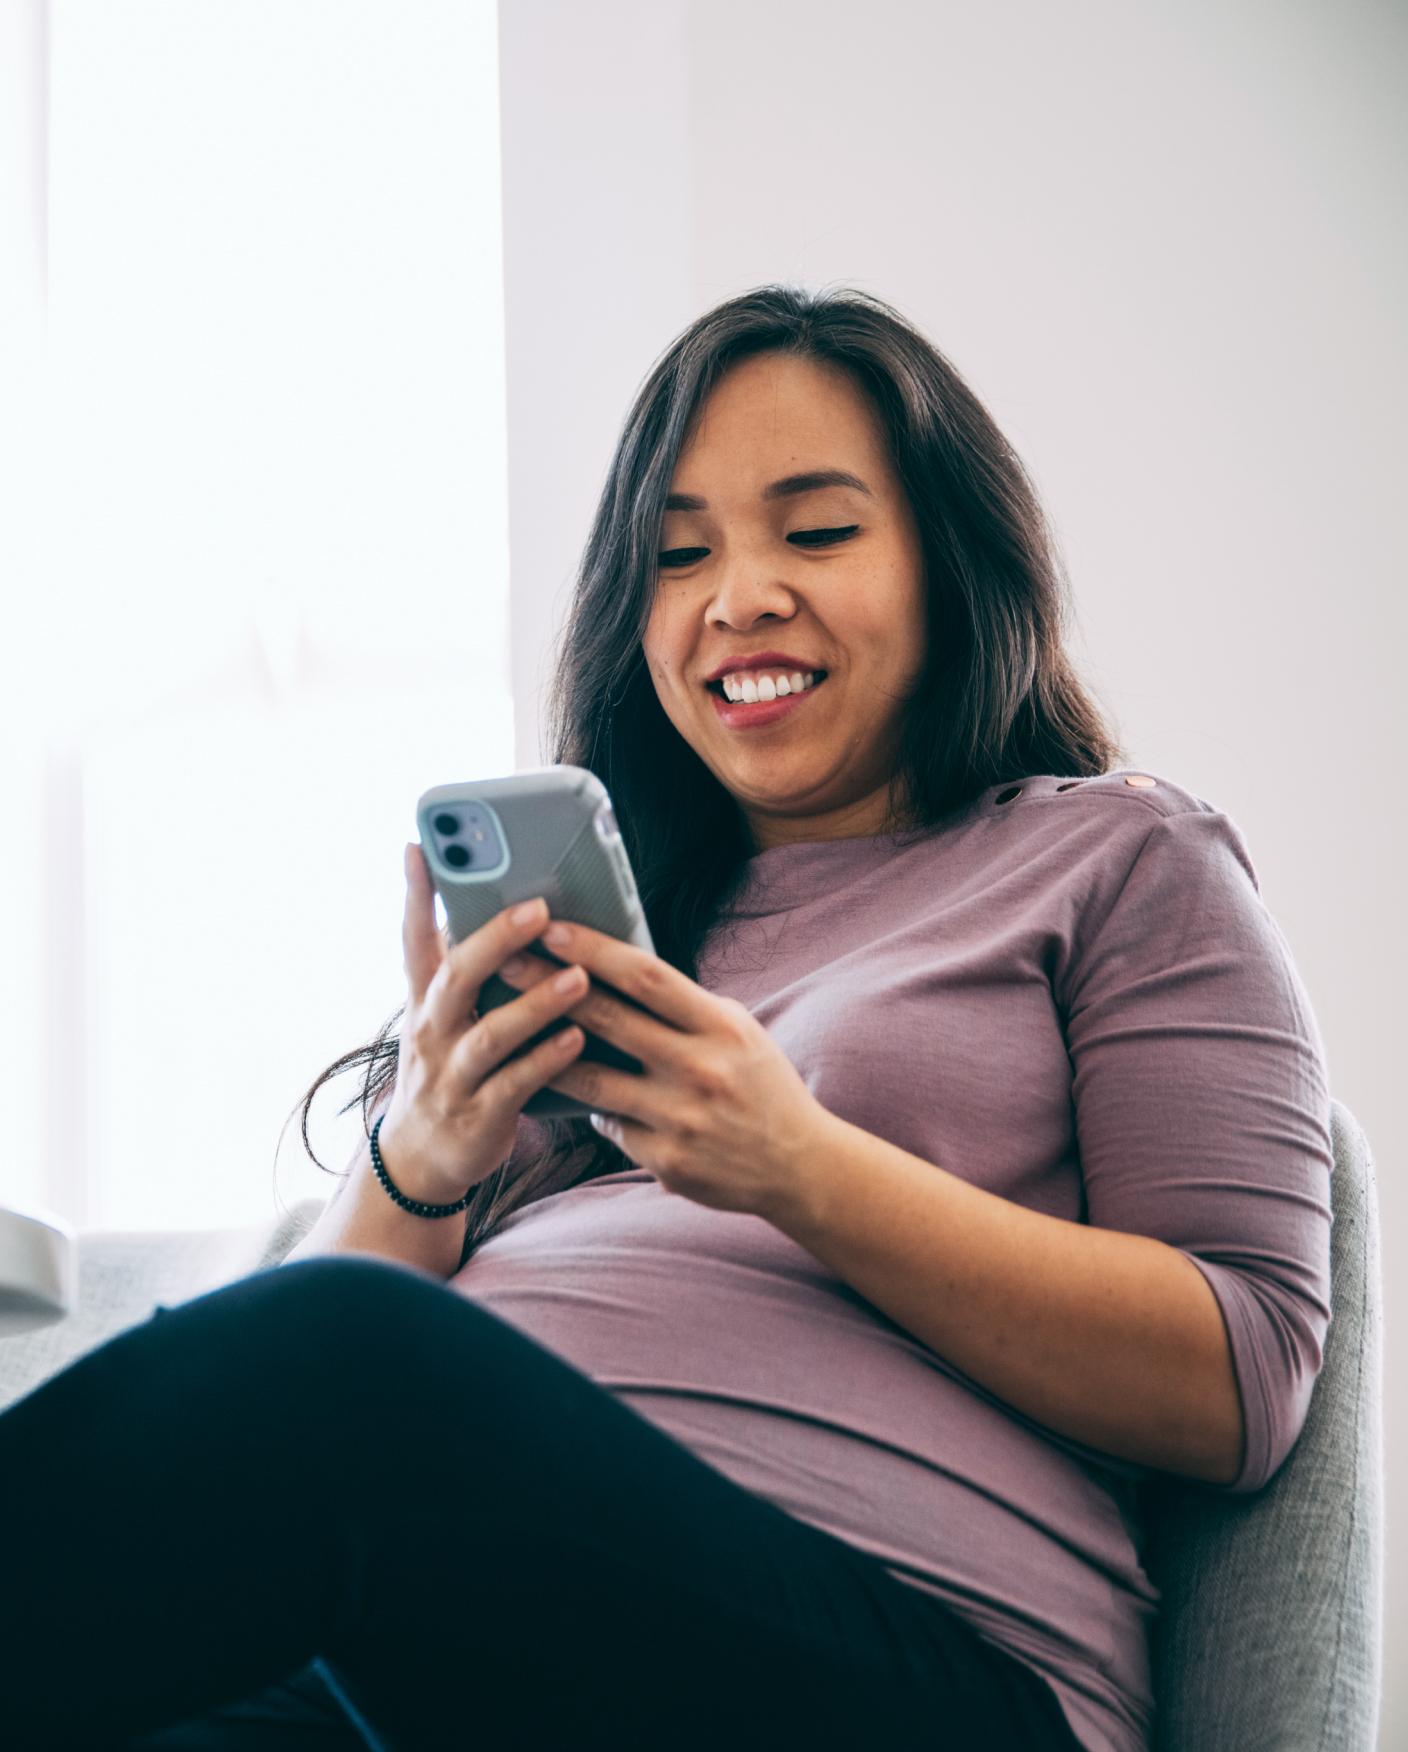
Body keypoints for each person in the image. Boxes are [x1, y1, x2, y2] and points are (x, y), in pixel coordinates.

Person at [1, 286, 1332, 1752]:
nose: (736, 596)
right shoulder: (609, 934)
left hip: (911, 1673)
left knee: (348, 1361)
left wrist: (799, 1164)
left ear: (950, 564)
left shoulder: (1123, 861)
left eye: (816, 532)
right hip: (455, 1659)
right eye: (678, 554)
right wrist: (424, 1153)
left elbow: (1245, 1374)